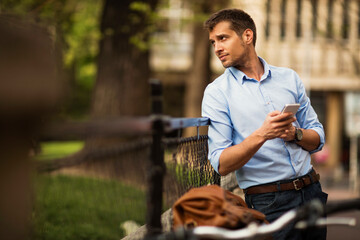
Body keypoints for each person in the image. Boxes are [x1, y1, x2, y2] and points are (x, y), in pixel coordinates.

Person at [201, 9, 328, 240]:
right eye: (213, 42)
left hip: (312, 192)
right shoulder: (217, 93)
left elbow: (318, 137)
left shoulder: (289, 78)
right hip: (269, 203)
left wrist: (295, 134)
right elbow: (221, 163)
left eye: (223, 38)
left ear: (247, 36)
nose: (217, 48)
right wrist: (262, 134)